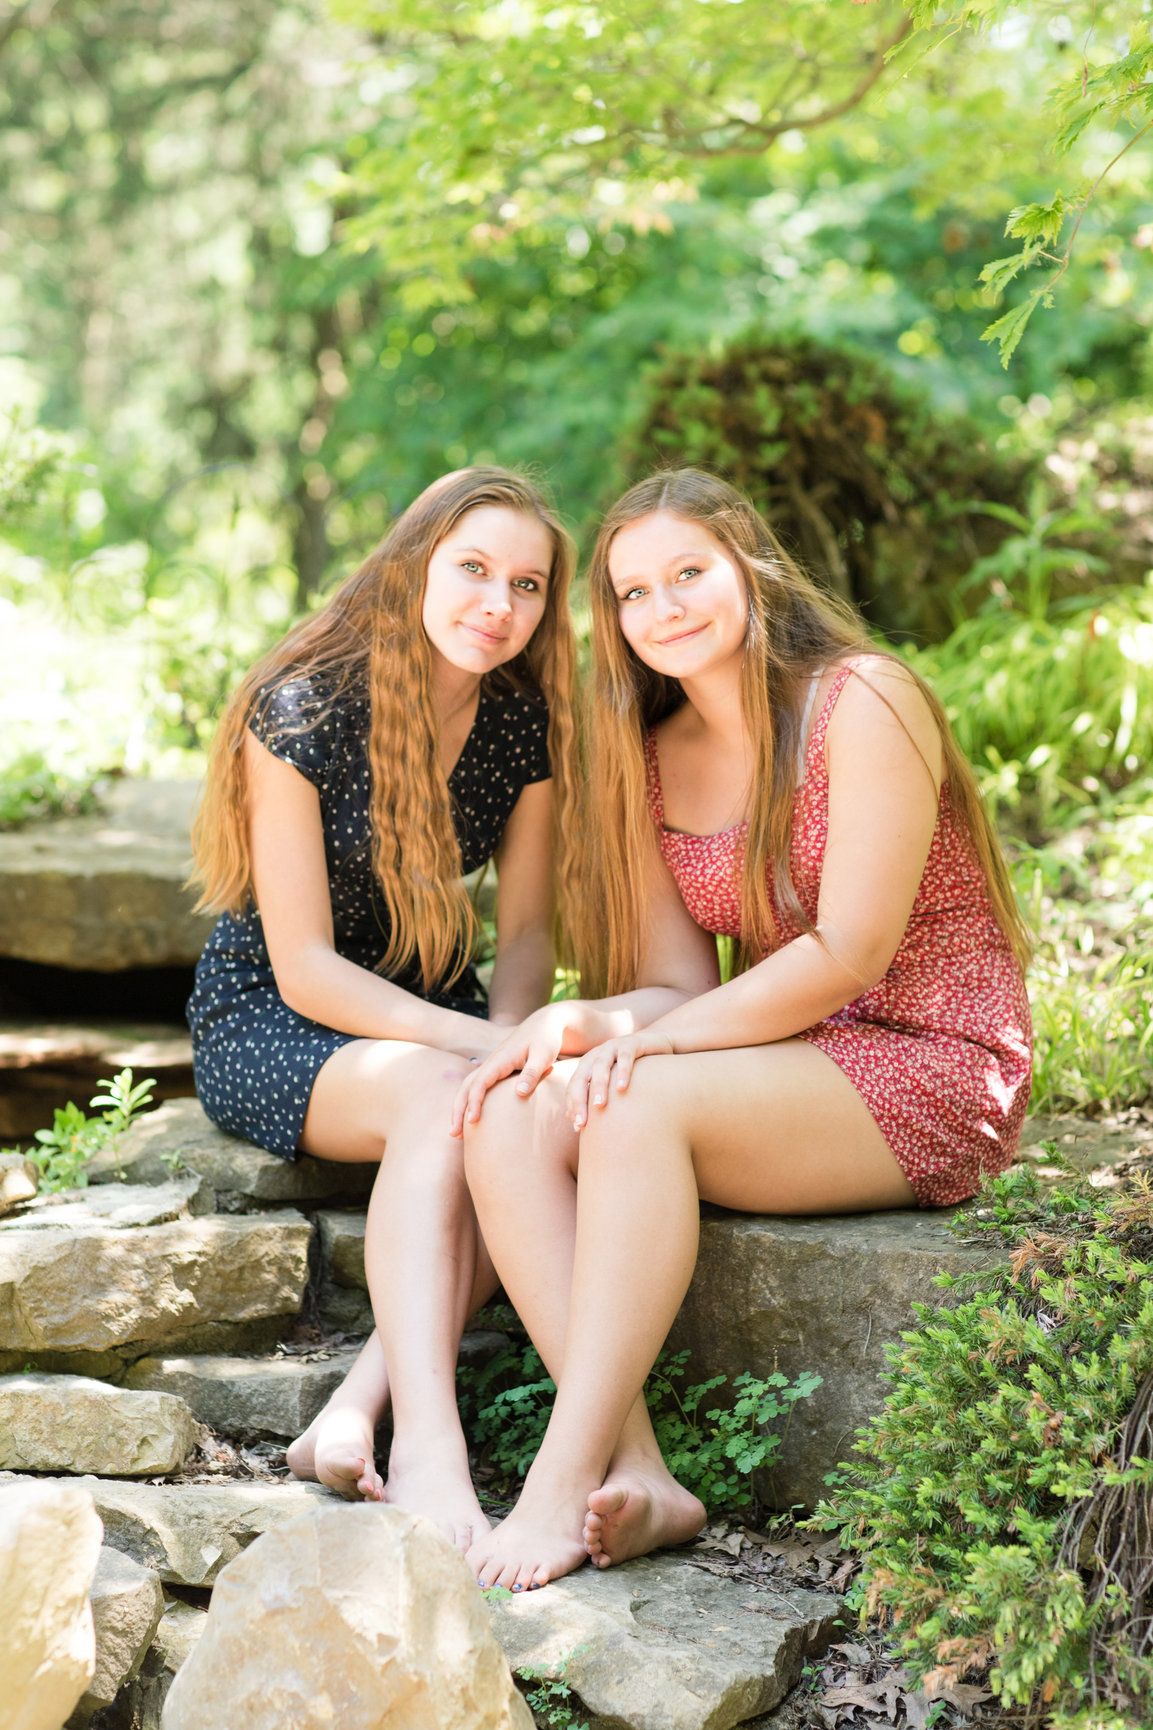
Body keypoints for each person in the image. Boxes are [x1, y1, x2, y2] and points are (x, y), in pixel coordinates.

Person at [451, 467, 1033, 1591]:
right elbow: (674, 981)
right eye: (630, 592)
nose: (661, 608)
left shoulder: (861, 699)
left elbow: (849, 953)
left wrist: (653, 1047)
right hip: (789, 1057)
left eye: (687, 573)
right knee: (512, 1108)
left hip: (932, 1054)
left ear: (747, 568)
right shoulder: (649, 750)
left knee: (633, 1103)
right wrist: (592, 1017)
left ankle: (557, 1478)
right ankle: (643, 1471)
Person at [186, 467, 576, 1549]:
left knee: (509, 1109)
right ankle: (431, 1446)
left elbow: (531, 932)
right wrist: (493, 1043)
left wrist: (509, 1043)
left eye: (527, 583)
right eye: (473, 568)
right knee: (461, 1090)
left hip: (428, 997)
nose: (498, 603)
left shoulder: (522, 718)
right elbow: (305, 963)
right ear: (414, 563)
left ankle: (354, 1406)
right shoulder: (302, 704)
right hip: (277, 1010)